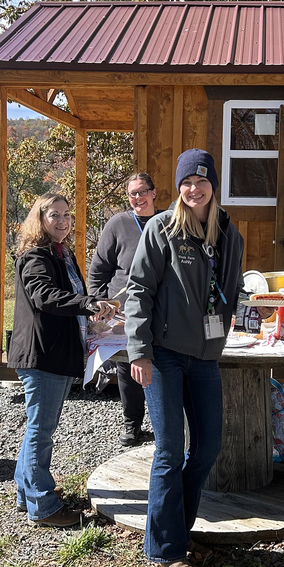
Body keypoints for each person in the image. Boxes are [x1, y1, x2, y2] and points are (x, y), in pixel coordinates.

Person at [124, 149, 244, 567]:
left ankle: (180, 528)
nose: (194, 189)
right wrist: (139, 351)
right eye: (186, 183)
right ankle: (167, 550)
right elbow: (137, 290)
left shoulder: (229, 233)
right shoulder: (161, 229)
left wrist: (242, 315)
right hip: (165, 353)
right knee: (170, 450)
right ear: (177, 189)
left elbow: (232, 289)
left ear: (214, 185)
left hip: (206, 356)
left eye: (202, 181)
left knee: (208, 447)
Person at [7, 192, 117, 527]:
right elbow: (45, 297)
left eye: (67, 214)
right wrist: (87, 304)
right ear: (38, 219)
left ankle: (27, 494)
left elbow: (69, 302)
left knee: (37, 429)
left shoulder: (61, 254)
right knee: (41, 431)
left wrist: (93, 315)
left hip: (53, 352)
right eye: (54, 214)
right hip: (43, 355)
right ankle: (44, 507)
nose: (63, 220)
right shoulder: (36, 256)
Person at [88, 172, 160, 446]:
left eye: (143, 191)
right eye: (133, 194)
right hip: (124, 311)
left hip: (161, 310)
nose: (138, 198)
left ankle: (165, 422)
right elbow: (98, 270)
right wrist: (98, 304)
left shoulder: (167, 221)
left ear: (154, 192)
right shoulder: (118, 223)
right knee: (129, 366)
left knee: (163, 365)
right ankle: (132, 424)